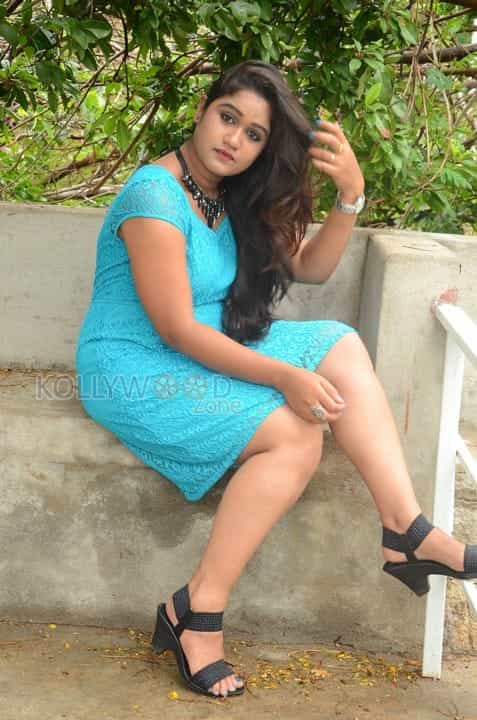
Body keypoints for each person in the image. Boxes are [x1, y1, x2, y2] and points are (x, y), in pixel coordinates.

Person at [75, 60, 477, 700]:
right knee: (296, 435)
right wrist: (285, 376)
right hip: (132, 364)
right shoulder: (155, 195)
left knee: (339, 342)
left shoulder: (229, 194)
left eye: (254, 134)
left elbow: (311, 268)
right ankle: (196, 613)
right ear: (203, 110)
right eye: (227, 117)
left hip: (207, 343)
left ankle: (407, 530)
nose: (234, 139)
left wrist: (350, 196)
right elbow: (175, 328)